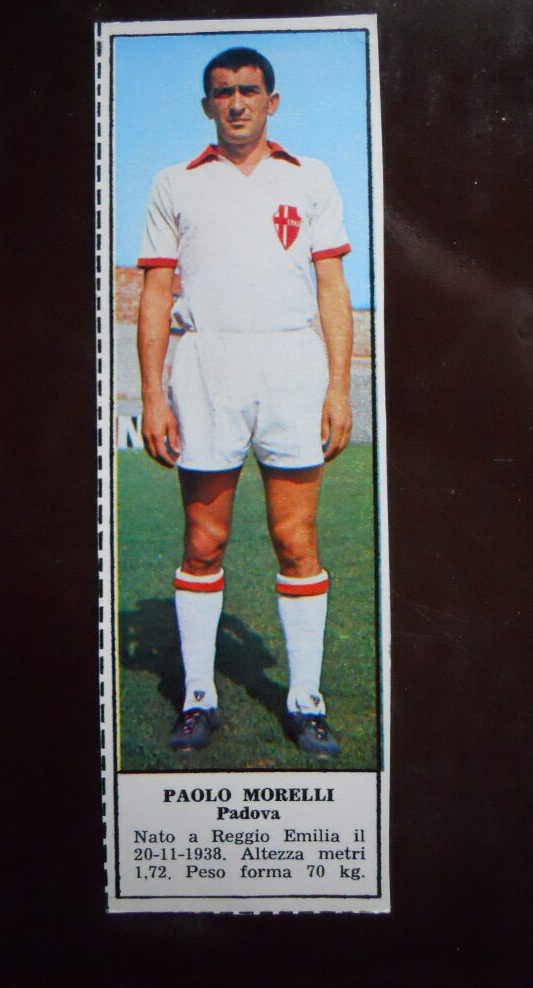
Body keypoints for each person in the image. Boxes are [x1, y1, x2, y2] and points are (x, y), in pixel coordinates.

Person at [137, 47, 353, 758]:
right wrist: (154, 394)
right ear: (207, 104)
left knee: (296, 538)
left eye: (249, 90)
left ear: (271, 101)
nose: (236, 103)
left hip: (291, 362)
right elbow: (156, 295)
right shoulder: (176, 181)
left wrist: (339, 386)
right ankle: (198, 697)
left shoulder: (310, 176)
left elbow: (332, 288)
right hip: (206, 363)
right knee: (205, 540)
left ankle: (306, 701)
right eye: (223, 92)